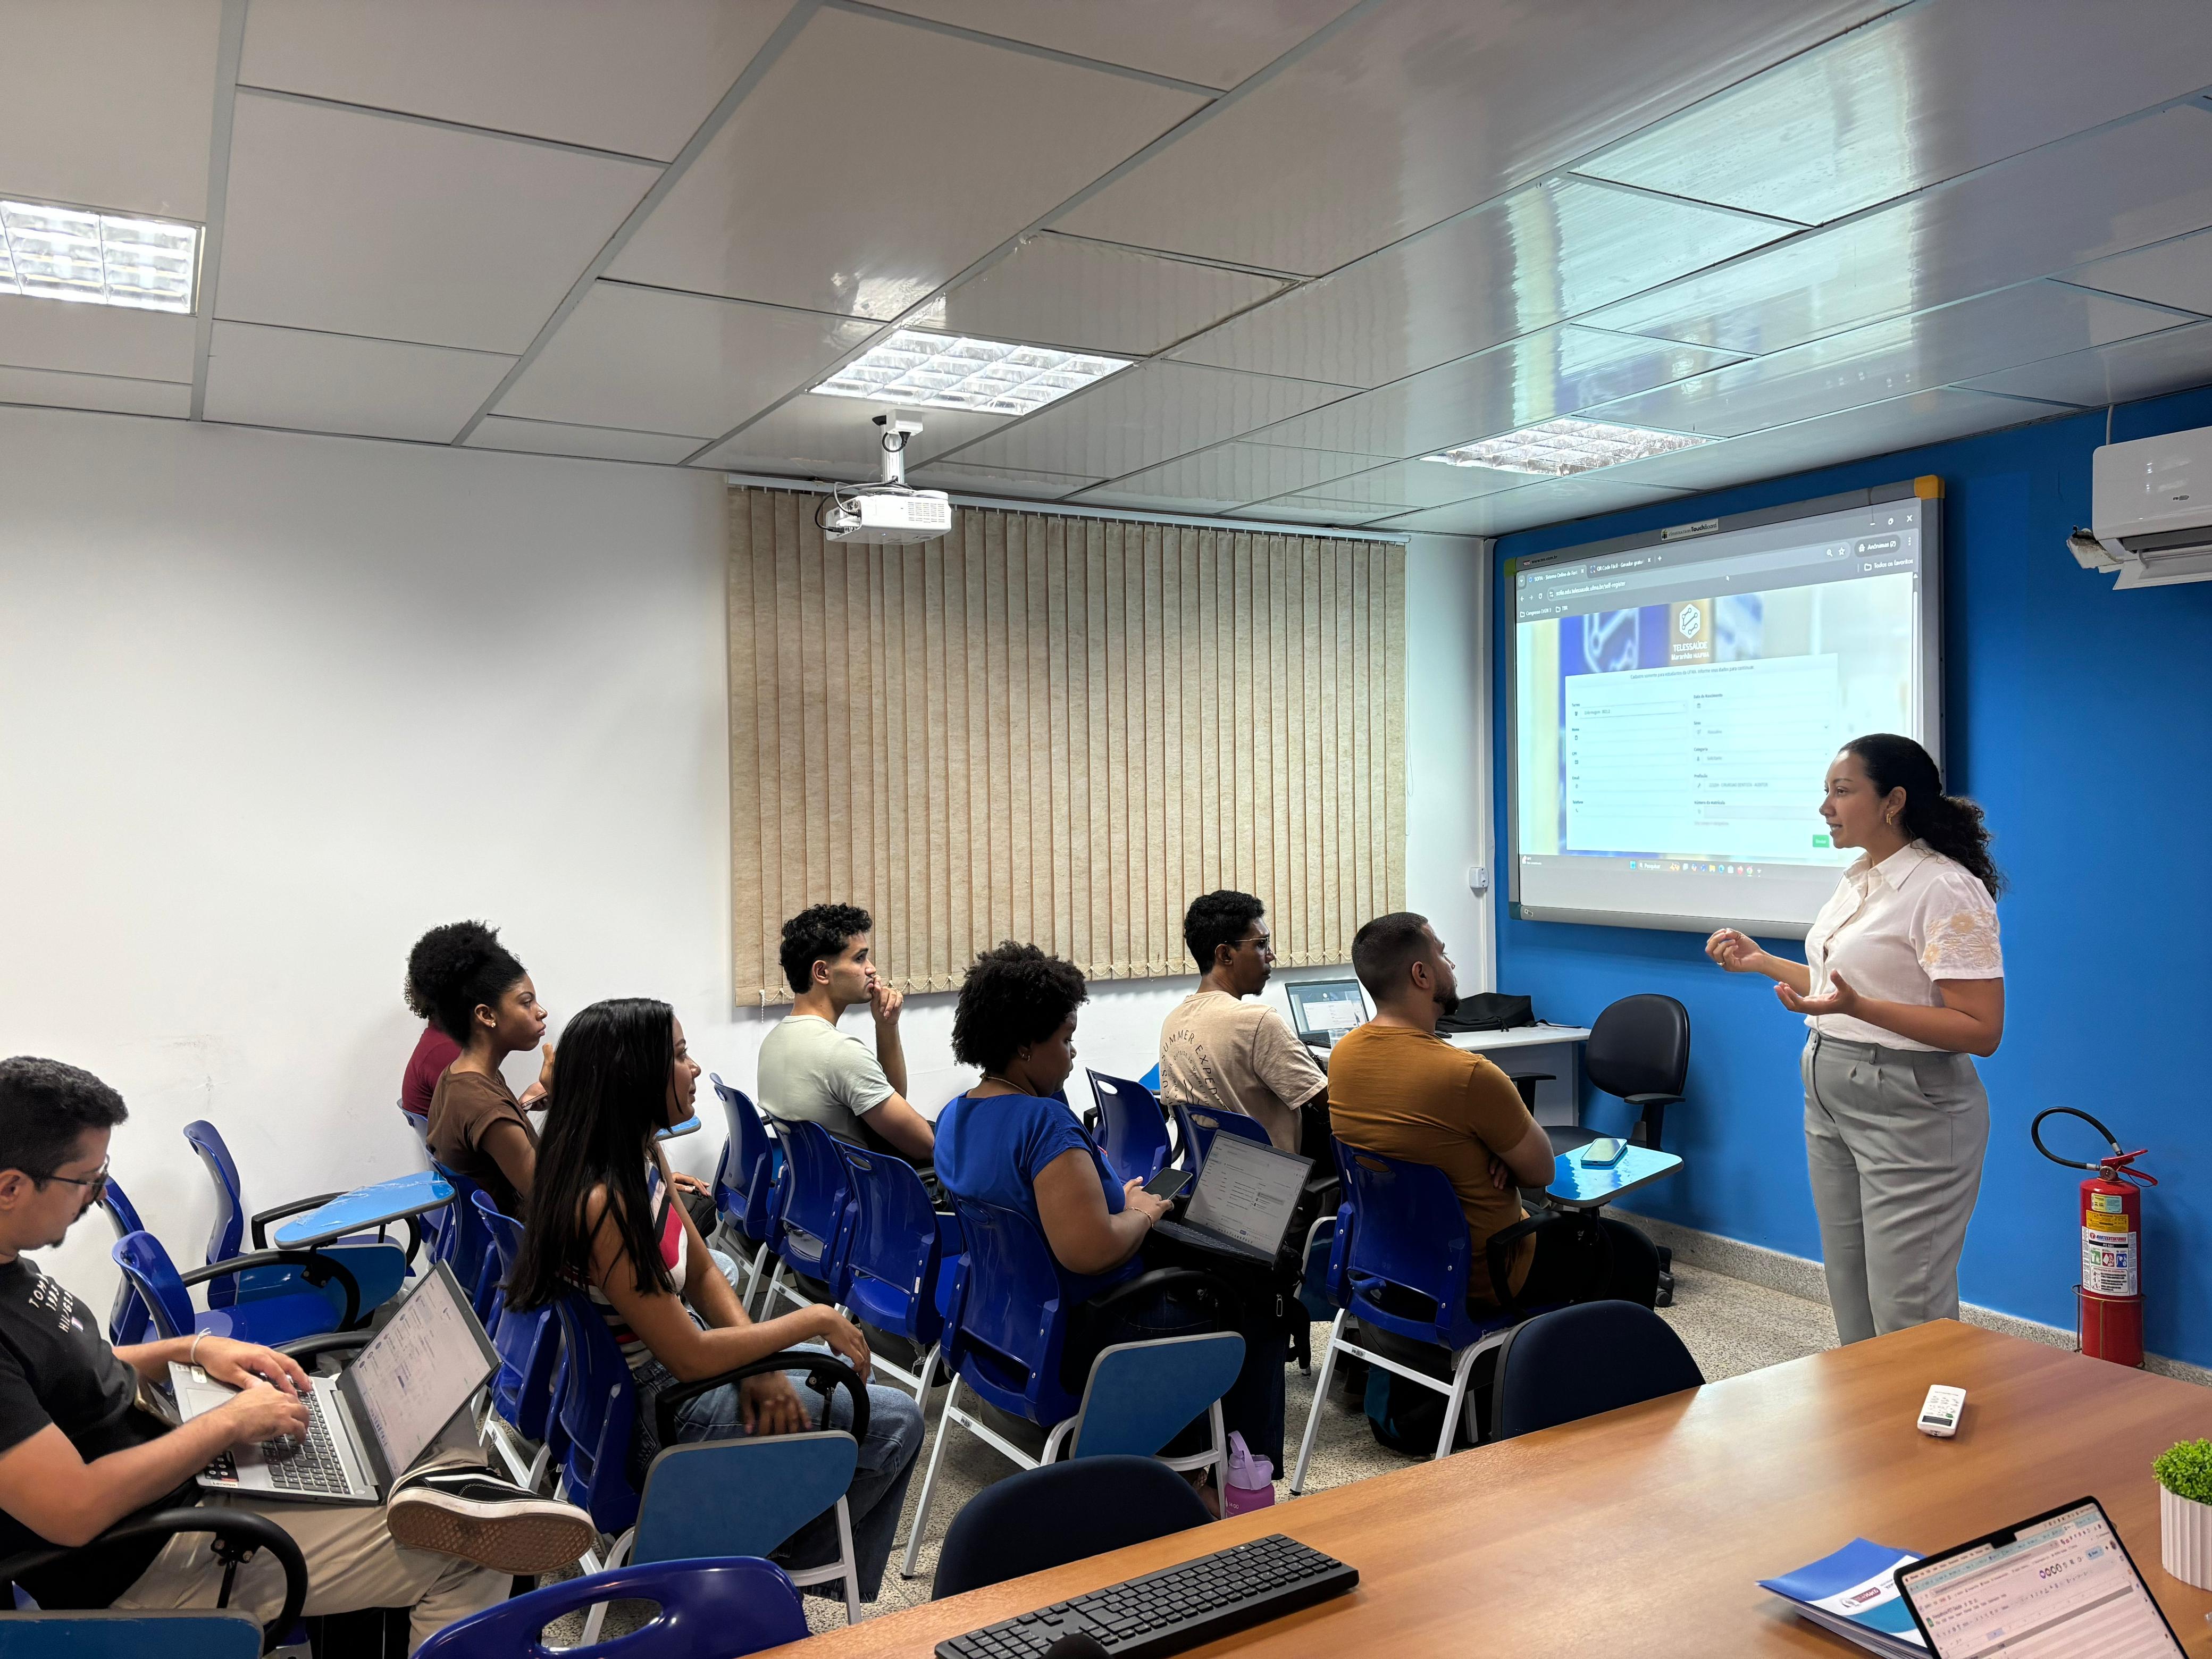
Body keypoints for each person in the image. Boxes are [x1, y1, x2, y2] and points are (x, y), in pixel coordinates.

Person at [0, 1057, 588, 1647]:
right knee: (473, 1557)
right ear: (11, 1188)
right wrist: (229, 1424)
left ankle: (438, 1482)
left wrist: (196, 1348)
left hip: (177, 1486)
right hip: (146, 1559)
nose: (97, 1195)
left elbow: (77, 1370)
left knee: (393, 1431)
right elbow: (72, 1511)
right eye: (87, 1180)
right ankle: (441, 1489)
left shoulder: (12, 1270)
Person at [505, 998, 923, 1603]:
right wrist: (811, 1318)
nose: (694, 1067)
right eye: (678, 1056)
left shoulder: (637, 1154)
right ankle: (783, 1564)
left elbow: (700, 1269)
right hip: (662, 1409)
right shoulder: (606, 1203)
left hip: (667, 1381)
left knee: (831, 1374)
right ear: (633, 1079)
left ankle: (767, 1548)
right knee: (898, 1420)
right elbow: (691, 1359)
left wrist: (761, 1367)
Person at [933, 942, 1286, 1478]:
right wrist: (1143, 1213)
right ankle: (1226, 1475)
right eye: (1065, 1039)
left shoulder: (955, 1116)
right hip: (1091, 1323)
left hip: (1006, 1320)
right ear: (1025, 1046)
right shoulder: (1043, 1124)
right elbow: (1090, 1252)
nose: (1073, 1054)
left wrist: (1112, 1197)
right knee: (1253, 1302)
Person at [1706, 734, 2005, 1345]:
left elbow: (1980, 1029)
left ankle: (1923, 1407)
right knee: (1850, 1289)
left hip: (1909, 1107)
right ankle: (1870, 1409)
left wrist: (1858, 1008)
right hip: (1829, 1095)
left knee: (1907, 1306)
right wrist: (1763, 963)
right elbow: (1840, 989)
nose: (1826, 807)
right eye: (1826, 792)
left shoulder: (1942, 887)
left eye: (1841, 792)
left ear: (1892, 801)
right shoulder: (1861, 877)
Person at [1329, 913, 1660, 1310]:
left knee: (1533, 1211)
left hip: (1394, 1264)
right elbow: (1540, 1172)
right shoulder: (1468, 1075)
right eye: (1442, 954)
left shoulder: (1343, 1056)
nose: (1451, 965)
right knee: (1633, 1251)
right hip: (1483, 1277)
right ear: (1421, 975)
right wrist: (1498, 1156)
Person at [756, 904, 935, 1163]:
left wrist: (886, 1026)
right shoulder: (841, 1054)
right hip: (862, 1184)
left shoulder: (774, 1042)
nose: (872, 969)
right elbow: (925, 1146)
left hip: (813, 1183)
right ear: (822, 972)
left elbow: (892, 1098)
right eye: (860, 959)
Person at [1158, 891, 1328, 1155]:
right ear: (1225, 955)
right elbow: (1332, 1105)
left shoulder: (1173, 1021)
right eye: (1261, 944)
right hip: (1273, 1175)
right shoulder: (1258, 1023)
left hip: (1211, 1170)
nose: (1270, 955)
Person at [419, 924, 552, 1217]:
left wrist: (519, 1107)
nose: (541, 1011)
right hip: (529, 1237)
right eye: (527, 1002)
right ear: (486, 1015)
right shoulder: (485, 1107)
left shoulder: (459, 1076)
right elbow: (553, 1200)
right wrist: (573, 1105)